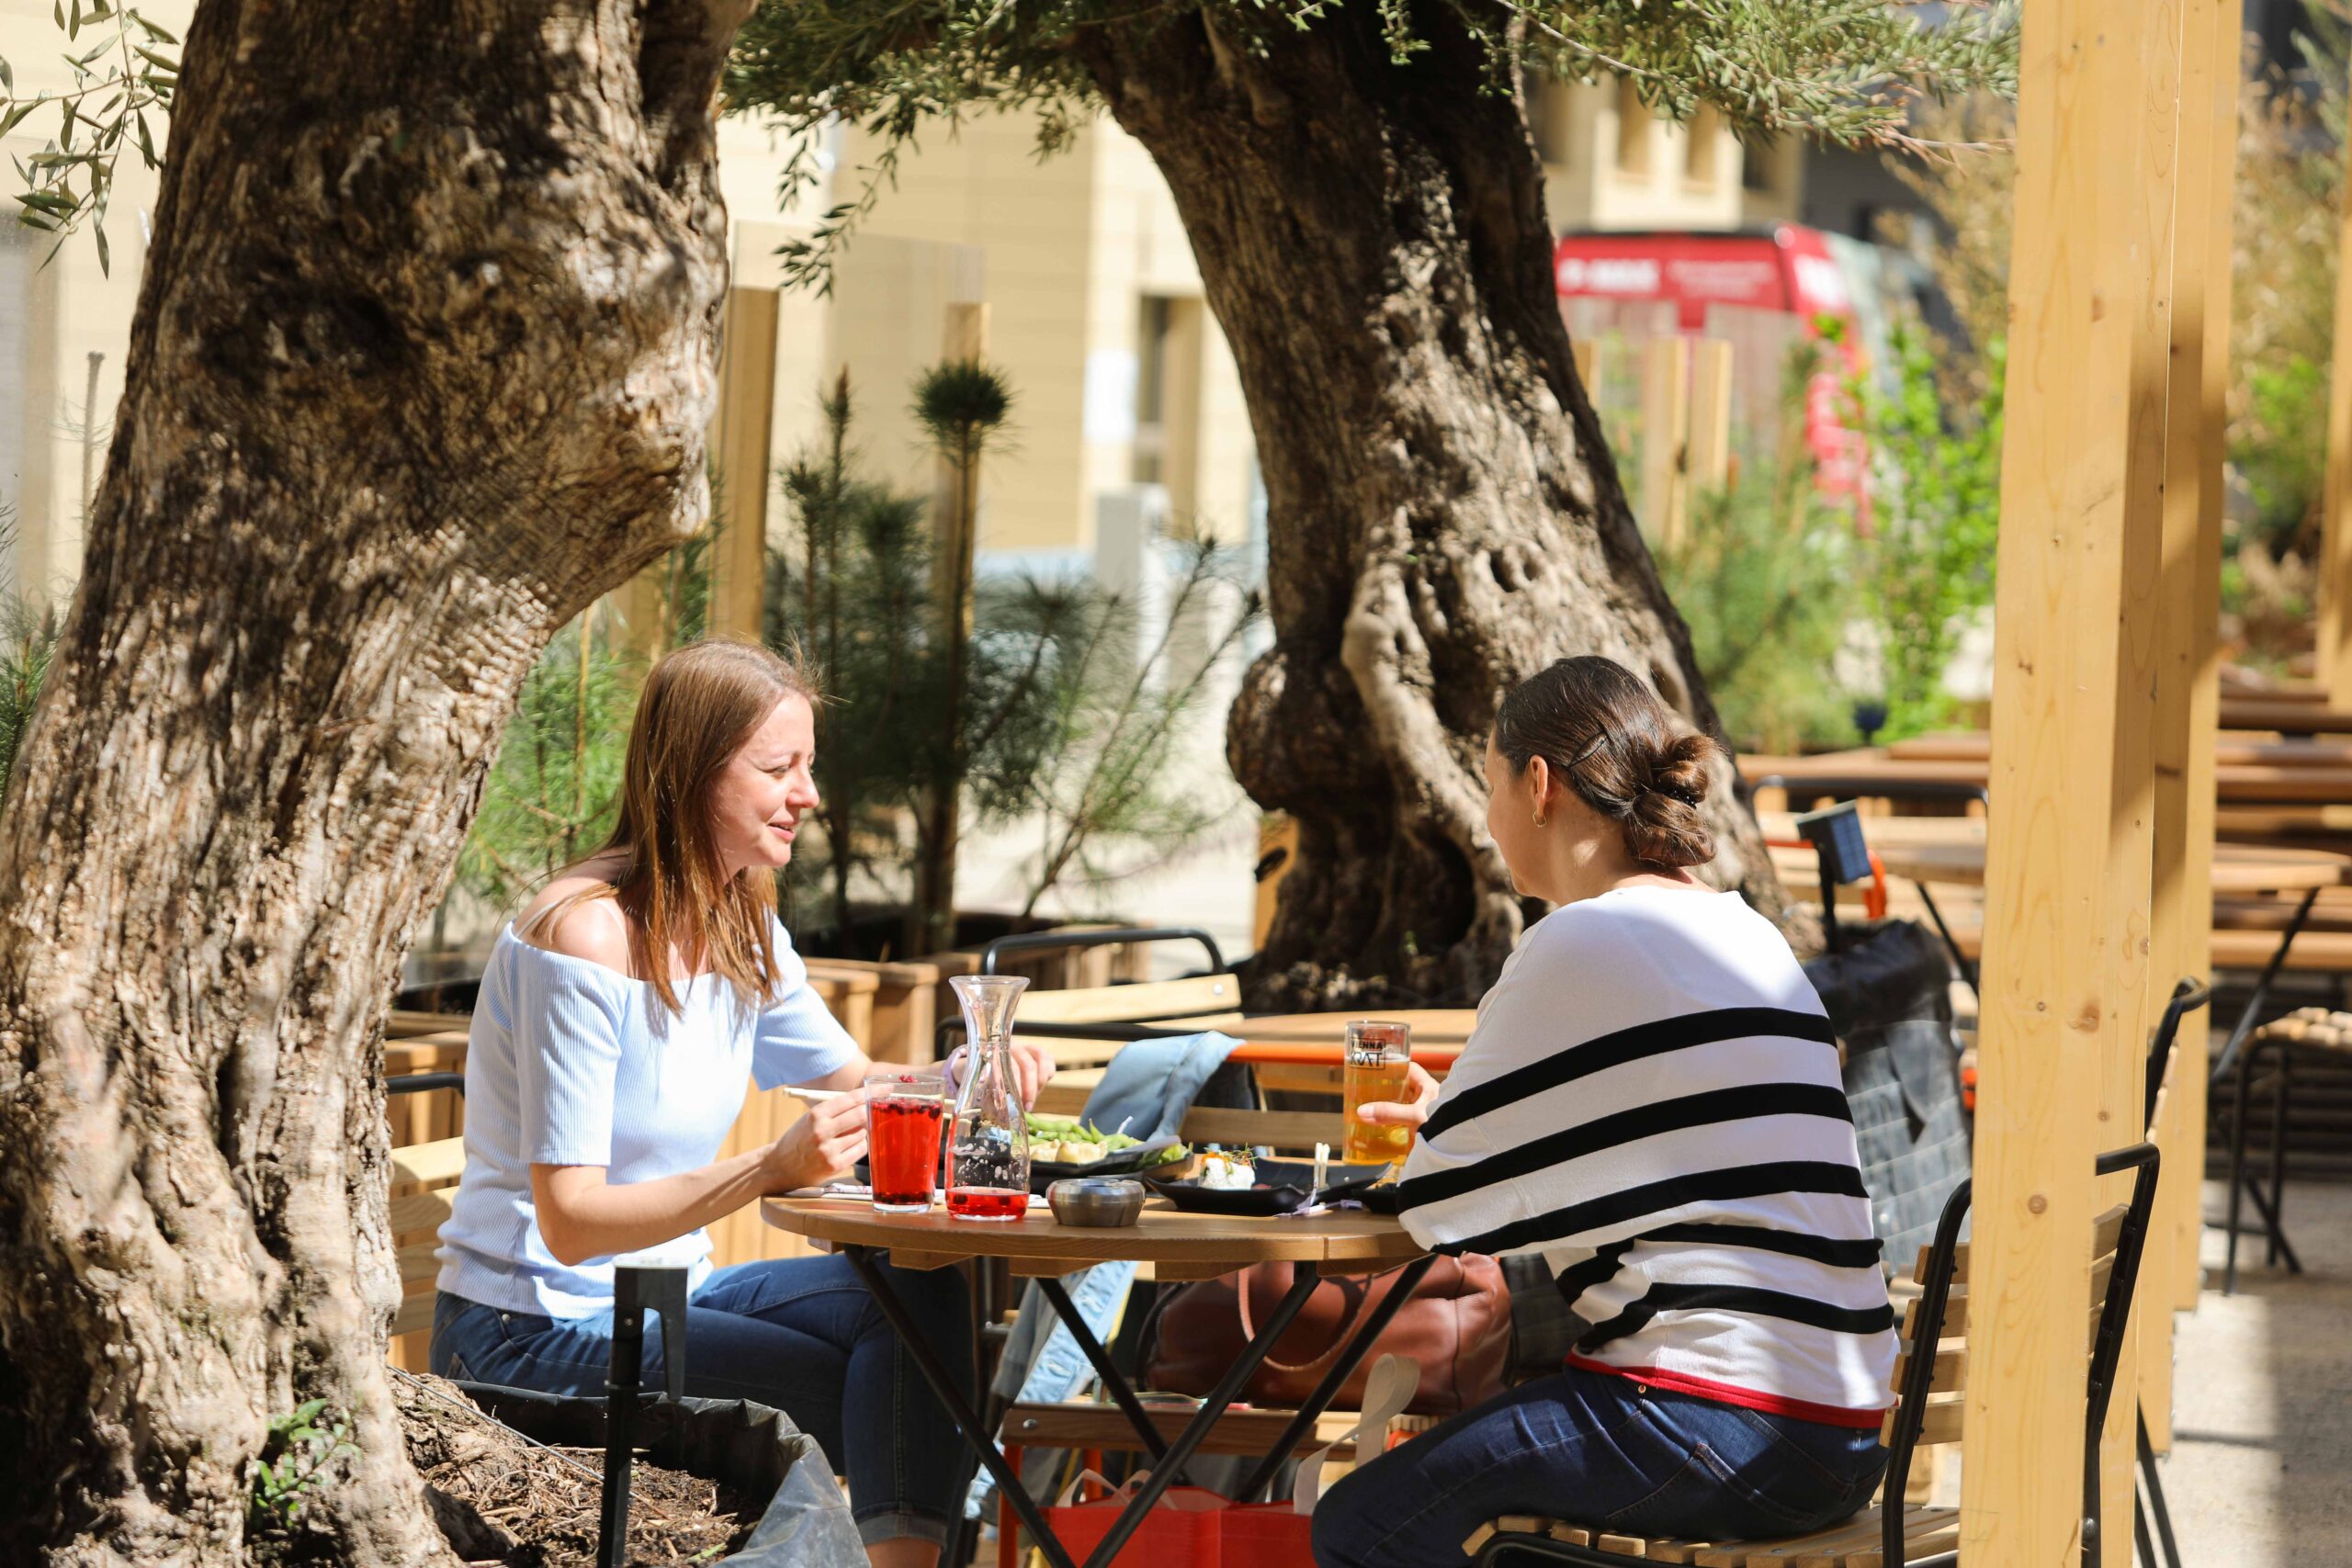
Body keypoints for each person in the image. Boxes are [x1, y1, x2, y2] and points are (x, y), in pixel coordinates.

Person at [428, 637, 1055, 1568]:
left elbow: (862, 1086)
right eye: (779, 768)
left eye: (808, 766)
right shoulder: (585, 940)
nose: (809, 794)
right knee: (882, 1388)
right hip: (530, 1332)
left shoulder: (741, 925)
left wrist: (965, 1076)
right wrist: (771, 1167)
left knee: (924, 1293)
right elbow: (569, 1223)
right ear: (691, 775)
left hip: (664, 1296)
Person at [1312, 656, 1894, 1567]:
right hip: (1843, 1434)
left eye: (1488, 788)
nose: (1488, 820)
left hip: (1714, 1418)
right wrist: (1466, 1123)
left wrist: (1447, 1135)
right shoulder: (1742, 931)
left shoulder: (1582, 938)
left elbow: (1433, 1210)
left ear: (1536, 785)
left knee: (1360, 1525)